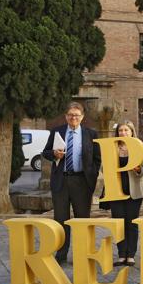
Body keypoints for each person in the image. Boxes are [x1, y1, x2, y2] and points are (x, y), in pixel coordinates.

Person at [42, 102, 101, 264]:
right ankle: (61, 255)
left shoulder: (91, 134)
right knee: (61, 219)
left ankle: (84, 254)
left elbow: (98, 158)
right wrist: (54, 154)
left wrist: (92, 175)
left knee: (82, 220)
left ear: (82, 117)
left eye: (76, 115)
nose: (73, 118)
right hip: (61, 180)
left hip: (82, 181)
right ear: (66, 116)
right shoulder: (57, 131)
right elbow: (45, 152)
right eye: (70, 115)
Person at [105, 121, 143, 267]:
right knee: (118, 223)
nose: (123, 133)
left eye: (126, 130)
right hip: (115, 191)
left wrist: (137, 170)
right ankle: (121, 254)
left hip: (133, 191)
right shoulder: (111, 147)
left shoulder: (138, 147)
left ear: (131, 132)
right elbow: (103, 169)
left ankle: (131, 255)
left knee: (131, 223)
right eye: (121, 130)